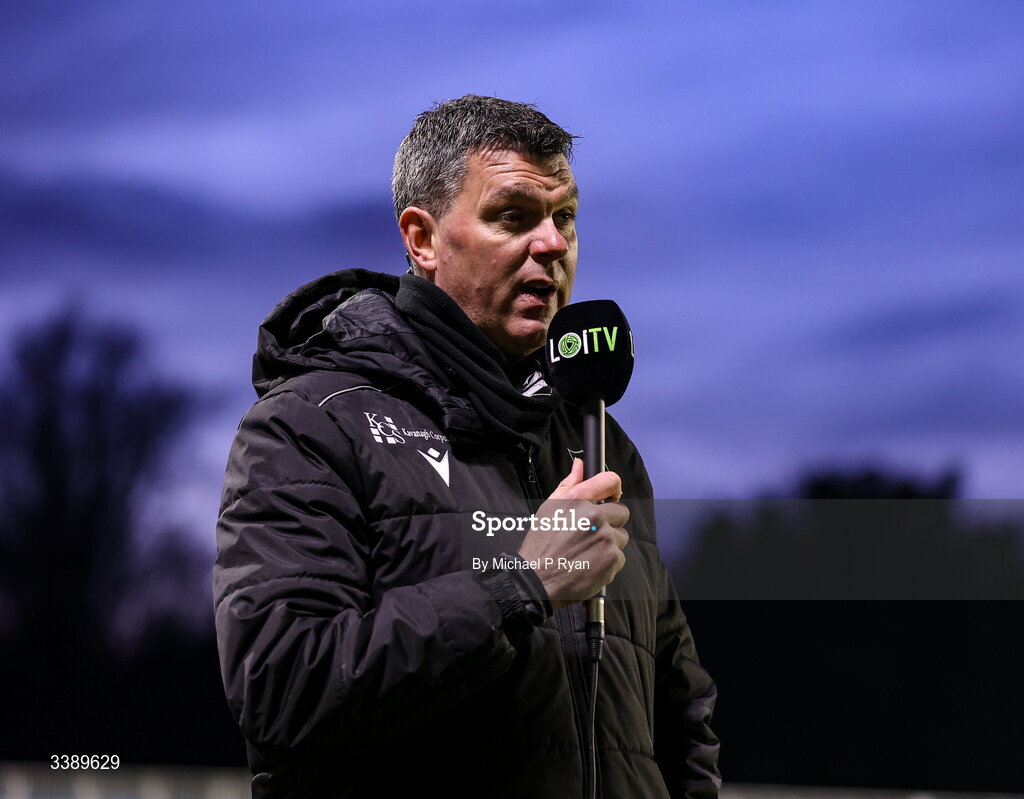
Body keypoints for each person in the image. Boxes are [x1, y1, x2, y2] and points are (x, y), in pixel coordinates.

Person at [214, 95, 720, 798]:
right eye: (513, 216)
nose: (551, 244)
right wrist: (520, 585)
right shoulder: (310, 424)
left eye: (564, 217)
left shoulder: (600, 439)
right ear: (421, 239)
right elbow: (282, 686)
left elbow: (679, 710)